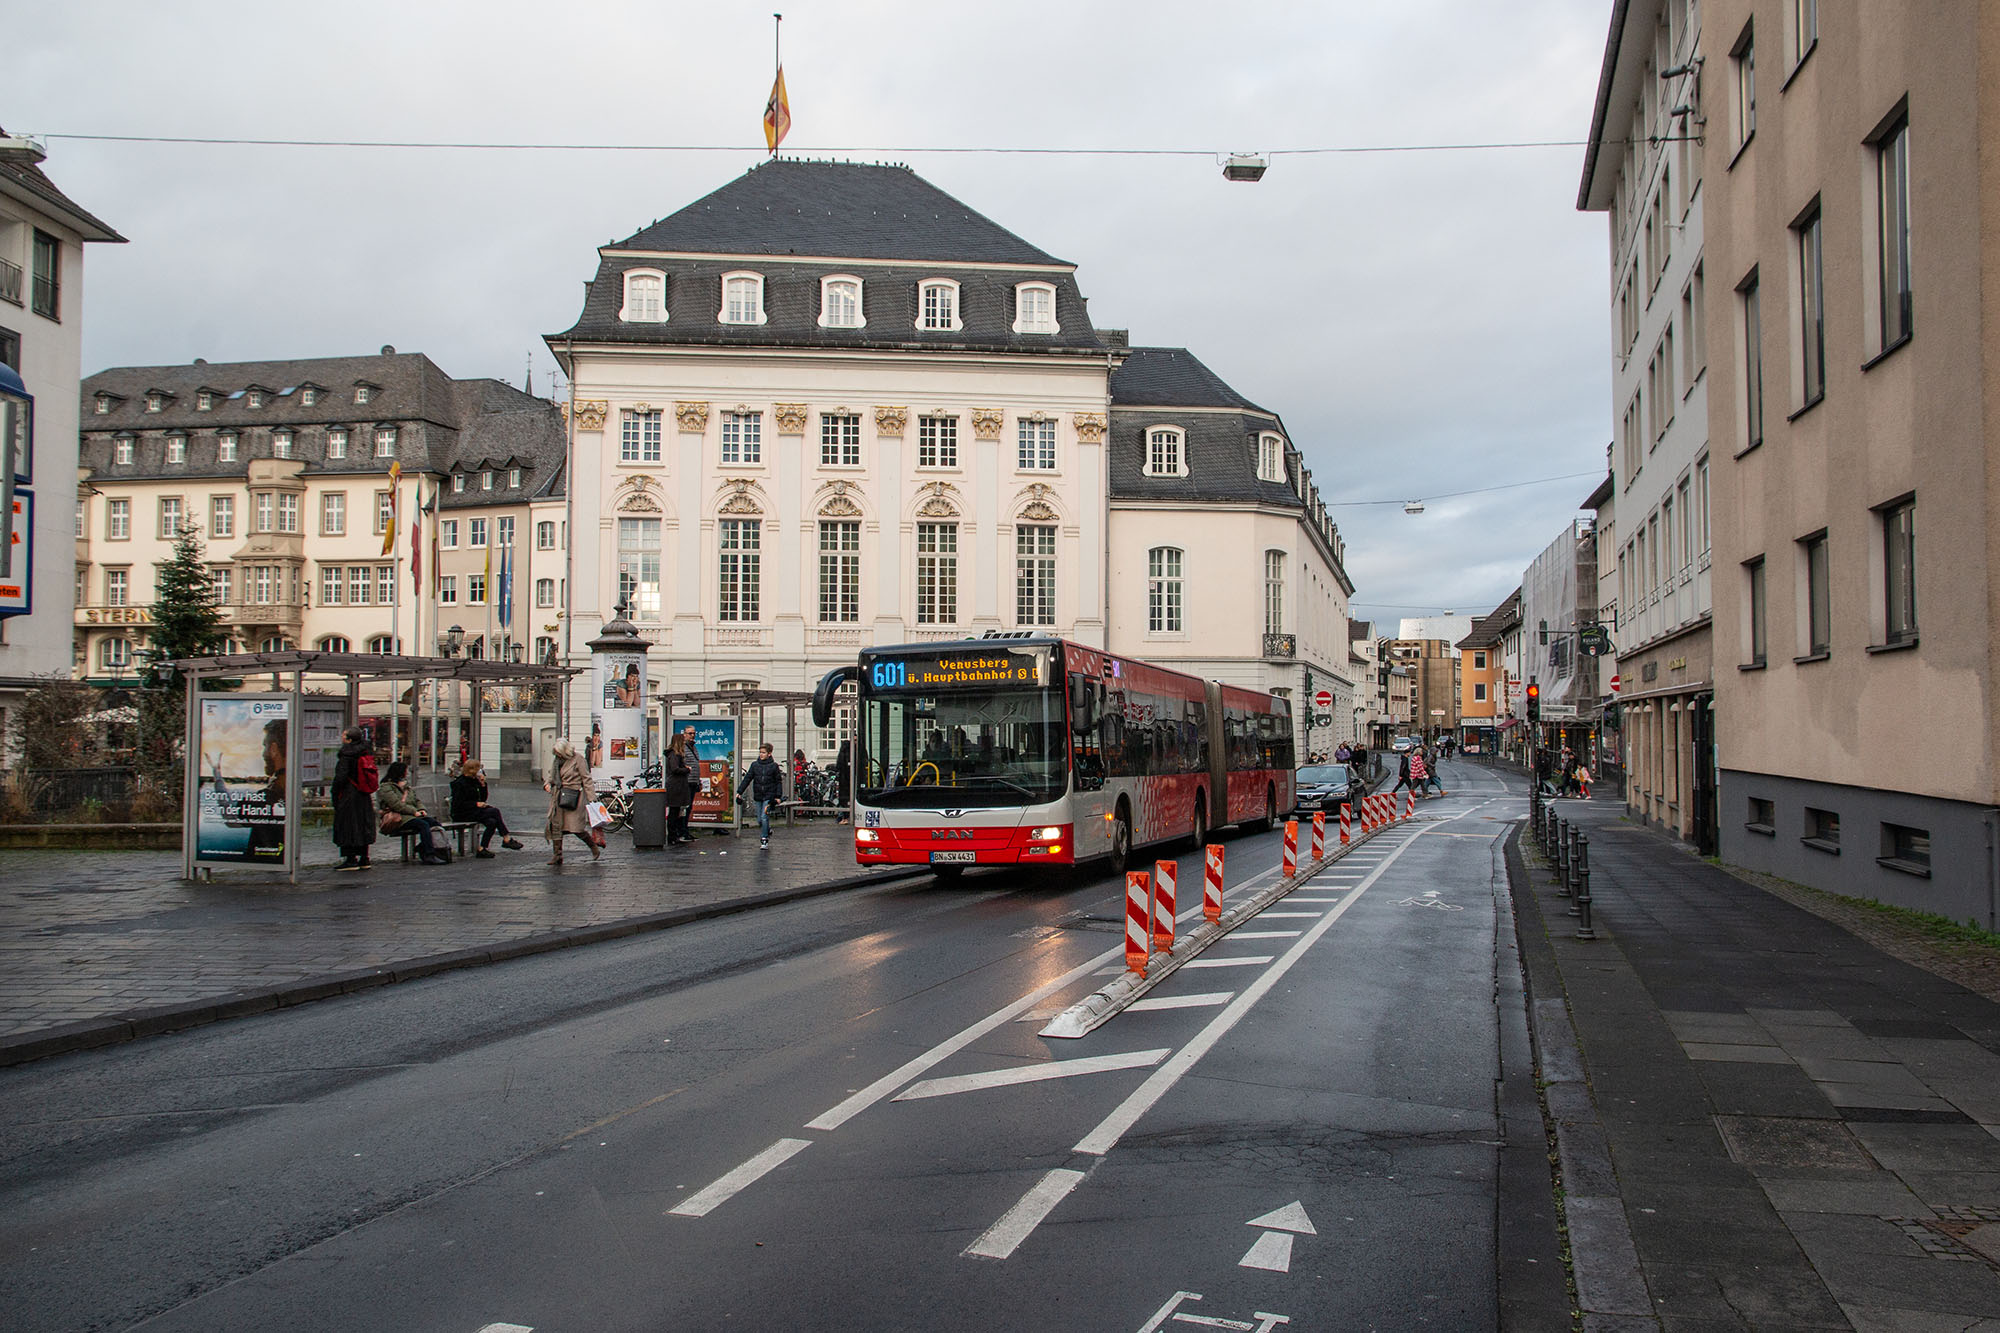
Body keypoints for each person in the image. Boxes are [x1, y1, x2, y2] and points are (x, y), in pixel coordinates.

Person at [379, 760, 449, 863]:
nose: (407, 773)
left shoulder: (406, 786)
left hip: (412, 815)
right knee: (423, 825)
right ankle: (429, 854)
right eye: (405, 771)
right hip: (400, 818)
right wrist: (414, 812)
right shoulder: (386, 787)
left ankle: (425, 847)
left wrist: (421, 809)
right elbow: (396, 805)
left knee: (434, 823)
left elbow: (416, 800)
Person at [450, 759, 523, 857]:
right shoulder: (459, 783)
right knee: (494, 811)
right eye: (478, 769)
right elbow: (458, 804)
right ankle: (506, 838)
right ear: (472, 770)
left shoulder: (475, 781)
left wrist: (483, 785)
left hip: (474, 811)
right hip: (462, 813)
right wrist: (475, 804)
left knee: (492, 822)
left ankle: (482, 848)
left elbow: (483, 798)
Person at [544, 737, 596, 864]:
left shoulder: (578, 759)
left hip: (574, 797)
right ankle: (557, 856)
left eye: (559, 753)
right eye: (556, 753)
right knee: (556, 826)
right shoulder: (557, 761)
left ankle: (593, 847)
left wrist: (592, 799)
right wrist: (547, 784)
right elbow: (552, 776)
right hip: (558, 796)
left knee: (576, 828)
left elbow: (586, 779)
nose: (557, 755)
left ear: (565, 751)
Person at [331, 726, 377, 871]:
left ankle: (350, 859)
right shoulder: (365, 751)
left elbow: (341, 777)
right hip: (363, 793)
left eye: (344, 736)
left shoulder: (347, 754)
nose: (342, 738)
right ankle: (364, 857)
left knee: (347, 825)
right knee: (363, 824)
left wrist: (335, 792)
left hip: (349, 794)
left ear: (349, 739)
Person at [738, 742, 784, 849]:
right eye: (760, 752)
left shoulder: (774, 766)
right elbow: (747, 778)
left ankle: (764, 839)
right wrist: (739, 791)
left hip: (769, 795)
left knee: (764, 816)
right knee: (759, 819)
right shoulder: (755, 765)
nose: (761, 755)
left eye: (763, 753)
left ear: (769, 754)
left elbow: (778, 781)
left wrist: (778, 796)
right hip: (758, 795)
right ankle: (767, 830)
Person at [663, 731, 698, 845]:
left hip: (678, 785)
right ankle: (672, 836)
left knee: (677, 811)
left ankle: (675, 835)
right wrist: (687, 769)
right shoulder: (674, 754)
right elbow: (675, 769)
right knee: (674, 811)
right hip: (675, 786)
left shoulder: (675, 754)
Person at [833, 736, 852, 824]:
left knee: (843, 800)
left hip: (843, 781)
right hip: (850, 780)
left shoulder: (842, 754)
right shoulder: (853, 752)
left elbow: (838, 766)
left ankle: (844, 817)